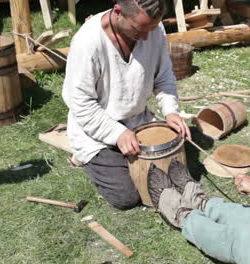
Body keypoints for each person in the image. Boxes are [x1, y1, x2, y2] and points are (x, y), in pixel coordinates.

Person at [62, 0, 191, 210]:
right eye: (139, 29)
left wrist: (170, 112)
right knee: (127, 197)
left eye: (151, 28)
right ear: (118, 12)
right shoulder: (88, 42)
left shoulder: (153, 28)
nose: (146, 37)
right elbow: (81, 104)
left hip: (138, 120)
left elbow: (164, 76)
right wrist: (117, 134)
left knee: (177, 177)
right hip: (94, 130)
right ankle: (88, 159)